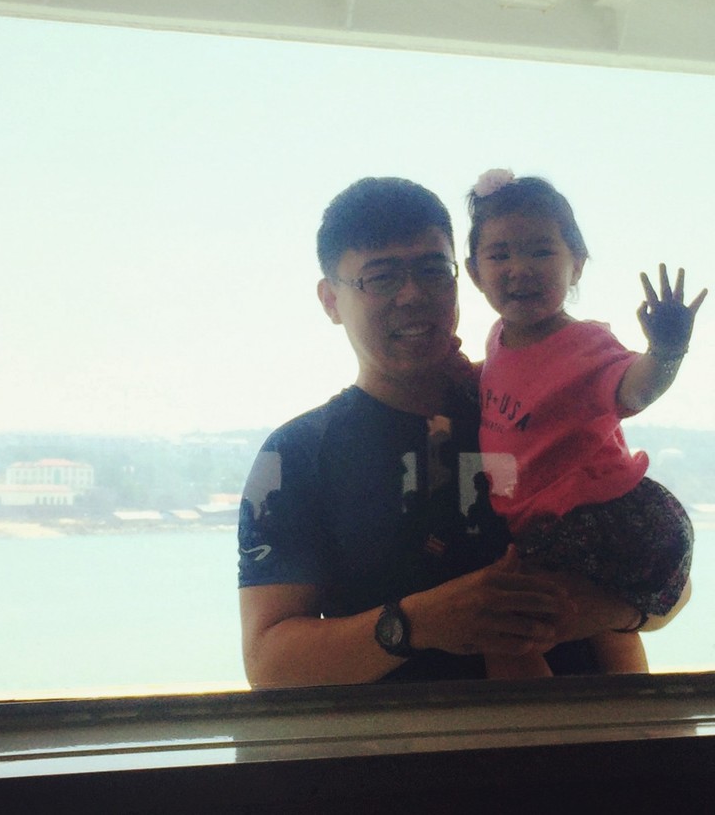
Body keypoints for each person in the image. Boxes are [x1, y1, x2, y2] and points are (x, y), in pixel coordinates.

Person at [238, 177, 676, 688]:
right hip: (408, 740)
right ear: (330, 299)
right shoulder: (296, 455)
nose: (413, 295)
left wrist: (592, 611)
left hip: (598, 731)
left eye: (432, 270)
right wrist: (419, 623)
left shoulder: (526, 410)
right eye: (381, 278)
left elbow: (670, 583)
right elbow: (269, 666)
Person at [464, 169, 704, 679]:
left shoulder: (584, 345)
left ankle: (562, 726)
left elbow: (634, 389)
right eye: (500, 255)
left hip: (597, 514)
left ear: (577, 264)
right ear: (475, 271)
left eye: (540, 252)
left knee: (512, 625)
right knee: (566, 621)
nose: (519, 269)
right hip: (549, 518)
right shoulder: (498, 338)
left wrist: (666, 350)